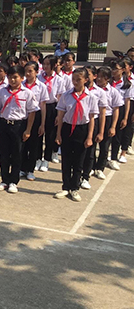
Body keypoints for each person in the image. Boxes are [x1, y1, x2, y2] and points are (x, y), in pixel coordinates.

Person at [0, 65, 39, 193]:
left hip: (19, 125)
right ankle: (4, 180)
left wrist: (28, 130)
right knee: (3, 153)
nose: (12, 80)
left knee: (17, 153)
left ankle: (14, 181)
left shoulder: (27, 93)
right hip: (4, 123)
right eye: (10, 78)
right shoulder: (2, 92)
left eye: (15, 77)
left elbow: (32, 112)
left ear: (22, 78)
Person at [54, 68, 98, 201]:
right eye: (73, 79)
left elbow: (91, 118)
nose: (75, 82)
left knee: (79, 160)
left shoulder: (91, 97)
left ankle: (75, 188)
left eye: (78, 79)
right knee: (66, 159)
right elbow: (60, 115)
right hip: (67, 128)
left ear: (86, 80)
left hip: (82, 129)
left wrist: (90, 136)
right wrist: (58, 134)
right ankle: (66, 187)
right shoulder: (66, 95)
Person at [93, 66, 123, 180]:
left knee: (104, 146)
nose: (99, 79)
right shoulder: (93, 90)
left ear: (108, 79)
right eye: (98, 76)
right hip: (95, 118)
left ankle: (100, 168)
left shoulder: (113, 92)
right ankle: (91, 167)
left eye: (102, 77)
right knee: (92, 144)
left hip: (108, 118)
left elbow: (116, 109)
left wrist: (113, 126)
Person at [80, 65, 107, 189]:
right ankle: (76, 174)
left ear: (94, 76)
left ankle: (85, 176)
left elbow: (102, 113)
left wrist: (101, 131)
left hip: (93, 122)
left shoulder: (99, 92)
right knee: (78, 151)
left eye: (88, 74)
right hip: (79, 123)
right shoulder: (77, 90)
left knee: (90, 151)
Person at [21, 61, 48, 181]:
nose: (27, 73)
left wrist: (42, 123)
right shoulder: (21, 85)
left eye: (30, 71)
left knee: (33, 144)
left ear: (37, 72)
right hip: (22, 116)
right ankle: (22, 168)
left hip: (36, 116)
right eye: (26, 71)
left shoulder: (41, 86)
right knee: (22, 144)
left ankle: (30, 170)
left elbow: (43, 106)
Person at [38, 56, 65, 171]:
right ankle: (37, 158)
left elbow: (60, 98)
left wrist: (59, 115)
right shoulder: (39, 77)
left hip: (52, 106)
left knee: (50, 134)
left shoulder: (59, 80)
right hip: (40, 106)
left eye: (48, 64)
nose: (45, 66)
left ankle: (46, 159)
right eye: (44, 64)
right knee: (38, 133)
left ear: (54, 65)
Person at [109, 58, 133, 170]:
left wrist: (125, 117)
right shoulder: (108, 81)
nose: (114, 71)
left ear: (123, 70)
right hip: (107, 110)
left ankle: (113, 158)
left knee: (117, 135)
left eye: (116, 69)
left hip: (120, 110)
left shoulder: (127, 84)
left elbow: (127, 101)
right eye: (112, 69)